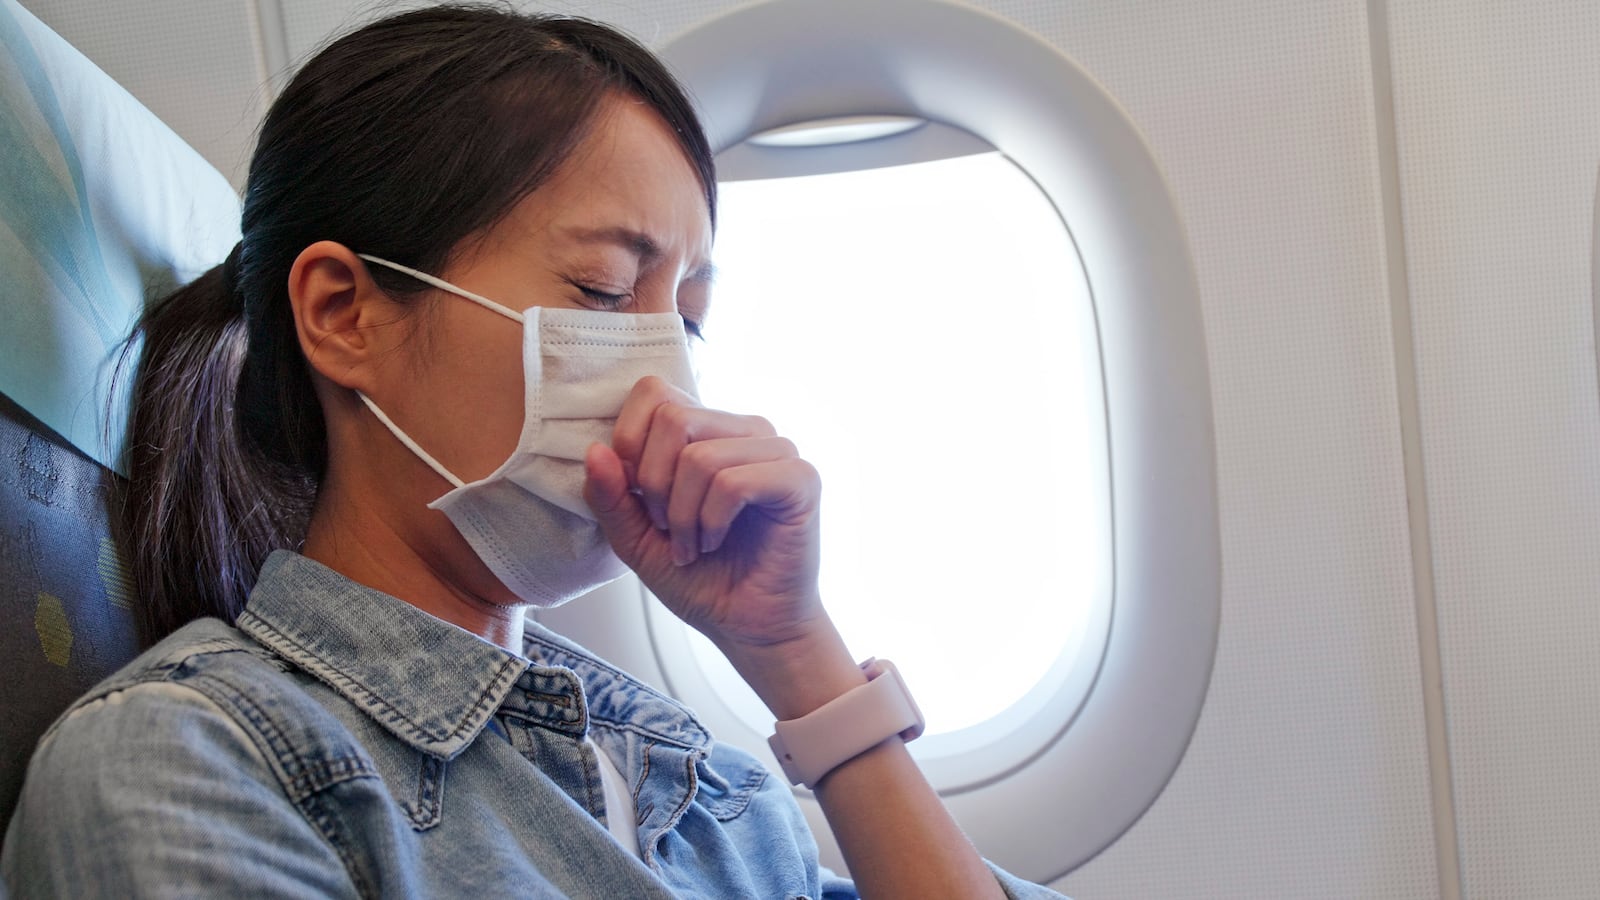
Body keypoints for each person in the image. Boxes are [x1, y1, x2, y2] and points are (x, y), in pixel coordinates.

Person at [1, 6, 1066, 898]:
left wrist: (798, 659)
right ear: (343, 315)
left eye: (684, 322)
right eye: (604, 292)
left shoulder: (706, 790)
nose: (664, 383)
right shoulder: (189, 765)